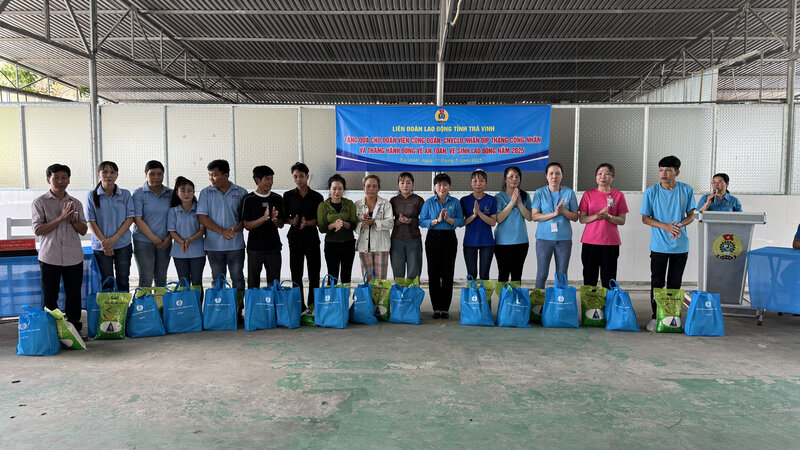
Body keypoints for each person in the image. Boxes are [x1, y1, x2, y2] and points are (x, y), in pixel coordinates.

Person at [641, 155, 695, 332]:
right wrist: (664, 226)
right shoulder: (652, 191)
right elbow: (645, 218)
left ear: (676, 172)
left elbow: (691, 216)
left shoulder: (686, 190)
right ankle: (656, 317)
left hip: (680, 245)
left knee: (675, 283)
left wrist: (679, 225)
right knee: (657, 282)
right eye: (661, 170)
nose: (663, 174)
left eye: (668, 170)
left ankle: (671, 317)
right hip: (658, 246)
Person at [32, 164, 88, 333]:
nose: (60, 181)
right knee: (50, 296)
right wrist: (61, 218)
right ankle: (51, 331)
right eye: (56, 177)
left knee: (73, 296)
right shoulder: (39, 202)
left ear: (69, 180)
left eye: (64, 177)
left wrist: (72, 220)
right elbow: (38, 230)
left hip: (73, 256)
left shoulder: (75, 203)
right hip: (50, 256)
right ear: (48, 180)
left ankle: (74, 331)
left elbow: (83, 230)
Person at [196, 159, 247, 296]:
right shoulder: (206, 193)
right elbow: (202, 217)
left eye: (214, 175)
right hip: (214, 247)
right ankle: (219, 313)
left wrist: (235, 229)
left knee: (238, 280)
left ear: (226, 175)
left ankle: (238, 313)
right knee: (217, 281)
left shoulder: (241, 192)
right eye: (210, 175)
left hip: (236, 246)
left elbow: (246, 219)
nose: (211, 178)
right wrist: (222, 232)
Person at [420, 173, 464, 319]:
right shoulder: (429, 203)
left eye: (445, 184)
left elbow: (460, 221)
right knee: (433, 273)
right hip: (433, 238)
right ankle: (436, 307)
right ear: (434, 187)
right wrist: (437, 220)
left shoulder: (455, 202)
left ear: (449, 186)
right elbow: (422, 221)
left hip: (449, 238)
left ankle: (444, 308)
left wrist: (449, 219)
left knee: (447, 273)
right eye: (439, 185)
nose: (442, 187)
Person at [86, 161, 135, 292]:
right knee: (106, 280)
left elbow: (130, 218)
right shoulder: (92, 195)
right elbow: (90, 221)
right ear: (98, 174)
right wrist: (105, 243)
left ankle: (123, 310)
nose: (108, 175)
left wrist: (114, 239)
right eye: (105, 172)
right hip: (101, 247)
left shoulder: (125, 194)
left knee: (123, 279)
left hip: (122, 244)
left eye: (112, 172)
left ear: (117, 175)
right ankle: (109, 311)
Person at [578, 163, 628, 289]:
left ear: (613, 177)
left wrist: (609, 217)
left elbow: (622, 220)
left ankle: (609, 306)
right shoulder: (588, 195)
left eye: (607, 173)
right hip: (590, 242)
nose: (603, 176)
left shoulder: (618, 195)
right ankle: (589, 307)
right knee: (589, 276)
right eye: (600, 173)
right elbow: (582, 219)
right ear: (596, 176)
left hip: (611, 243)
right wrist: (597, 216)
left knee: (609, 277)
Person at [532, 162, 579, 288]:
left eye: (557, 173)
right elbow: (534, 216)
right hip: (543, 240)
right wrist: (554, 214)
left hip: (564, 240)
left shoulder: (569, 193)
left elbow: (575, 217)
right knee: (542, 274)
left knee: (562, 274)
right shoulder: (539, 193)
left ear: (562, 176)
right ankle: (539, 306)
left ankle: (560, 304)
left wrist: (563, 211)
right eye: (551, 173)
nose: (554, 176)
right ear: (546, 176)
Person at [283, 162, 324, 306]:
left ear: (307, 176)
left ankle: (313, 306)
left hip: (312, 239)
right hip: (295, 239)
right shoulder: (288, 196)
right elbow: (283, 218)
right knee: (296, 274)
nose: (298, 179)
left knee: (314, 274)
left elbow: (320, 220)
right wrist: (291, 220)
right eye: (295, 177)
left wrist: (308, 223)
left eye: (301, 176)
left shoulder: (317, 197)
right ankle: (298, 306)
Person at [242, 166, 284, 288]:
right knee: (253, 283)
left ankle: (273, 306)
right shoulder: (248, 199)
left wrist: (275, 220)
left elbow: (281, 224)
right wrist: (263, 218)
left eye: (271, 179)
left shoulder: (277, 198)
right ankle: (254, 307)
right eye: (267, 179)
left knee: (274, 282)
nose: (270, 182)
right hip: (255, 249)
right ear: (257, 180)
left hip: (274, 248)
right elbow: (246, 225)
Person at [132, 160, 172, 288]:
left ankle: (159, 308)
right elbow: (137, 219)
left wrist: (169, 238)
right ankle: (143, 308)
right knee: (146, 278)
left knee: (161, 279)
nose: (156, 178)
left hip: (165, 241)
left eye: (159, 174)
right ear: (146, 175)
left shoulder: (170, 194)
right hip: (144, 241)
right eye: (152, 174)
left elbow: (175, 218)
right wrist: (154, 239)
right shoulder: (139, 194)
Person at [494, 166, 532, 290]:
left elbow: (529, 216)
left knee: (517, 275)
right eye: (511, 176)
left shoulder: (525, 196)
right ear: (505, 179)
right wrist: (512, 202)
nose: (514, 179)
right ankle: (503, 305)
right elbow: (498, 218)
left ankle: (515, 304)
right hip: (502, 242)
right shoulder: (498, 197)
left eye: (517, 177)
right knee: (503, 275)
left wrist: (519, 203)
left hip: (521, 241)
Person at [317, 174, 357, 285]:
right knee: (332, 275)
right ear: (329, 189)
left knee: (346, 275)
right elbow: (322, 228)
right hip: (331, 245)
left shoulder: (349, 204)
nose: (337, 192)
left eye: (340, 189)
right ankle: (332, 301)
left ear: (344, 190)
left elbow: (354, 225)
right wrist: (333, 225)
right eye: (334, 189)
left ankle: (344, 301)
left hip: (348, 244)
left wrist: (344, 224)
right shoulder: (323, 206)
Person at [167, 177, 206, 290]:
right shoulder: (172, 211)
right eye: (183, 191)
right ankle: (186, 307)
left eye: (190, 190)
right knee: (183, 282)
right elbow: (172, 231)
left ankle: (197, 307)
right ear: (177, 193)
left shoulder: (200, 209)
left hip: (198, 251)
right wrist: (182, 242)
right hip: (179, 252)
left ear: (194, 192)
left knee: (197, 282)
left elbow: (202, 230)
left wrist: (190, 240)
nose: (186, 193)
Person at [460, 169, 497, 282]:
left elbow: (493, 222)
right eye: (475, 180)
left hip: (487, 242)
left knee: (484, 275)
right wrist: (473, 215)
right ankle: (472, 299)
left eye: (481, 181)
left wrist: (480, 213)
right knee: (471, 275)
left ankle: (484, 299)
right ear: (471, 183)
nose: (478, 184)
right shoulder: (464, 200)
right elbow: (461, 223)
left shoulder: (492, 200)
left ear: (485, 183)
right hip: (470, 242)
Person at [355, 175, 394, 279]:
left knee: (380, 280)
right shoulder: (357, 204)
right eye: (368, 186)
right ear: (364, 187)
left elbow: (390, 223)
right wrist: (362, 223)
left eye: (374, 186)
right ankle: (368, 296)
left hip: (381, 246)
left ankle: (379, 296)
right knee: (367, 279)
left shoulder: (385, 204)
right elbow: (353, 225)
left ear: (379, 188)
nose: (371, 189)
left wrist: (374, 222)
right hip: (364, 246)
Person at [389, 172, 424, 282]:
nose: (405, 185)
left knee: (414, 271)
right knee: (398, 272)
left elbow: (423, 221)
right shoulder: (393, 201)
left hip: (413, 239)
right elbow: (388, 220)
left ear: (412, 184)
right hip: (396, 239)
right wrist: (399, 221)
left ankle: (412, 298)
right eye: (402, 182)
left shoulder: (418, 200)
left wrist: (410, 220)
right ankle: (399, 298)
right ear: (398, 184)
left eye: (408, 183)